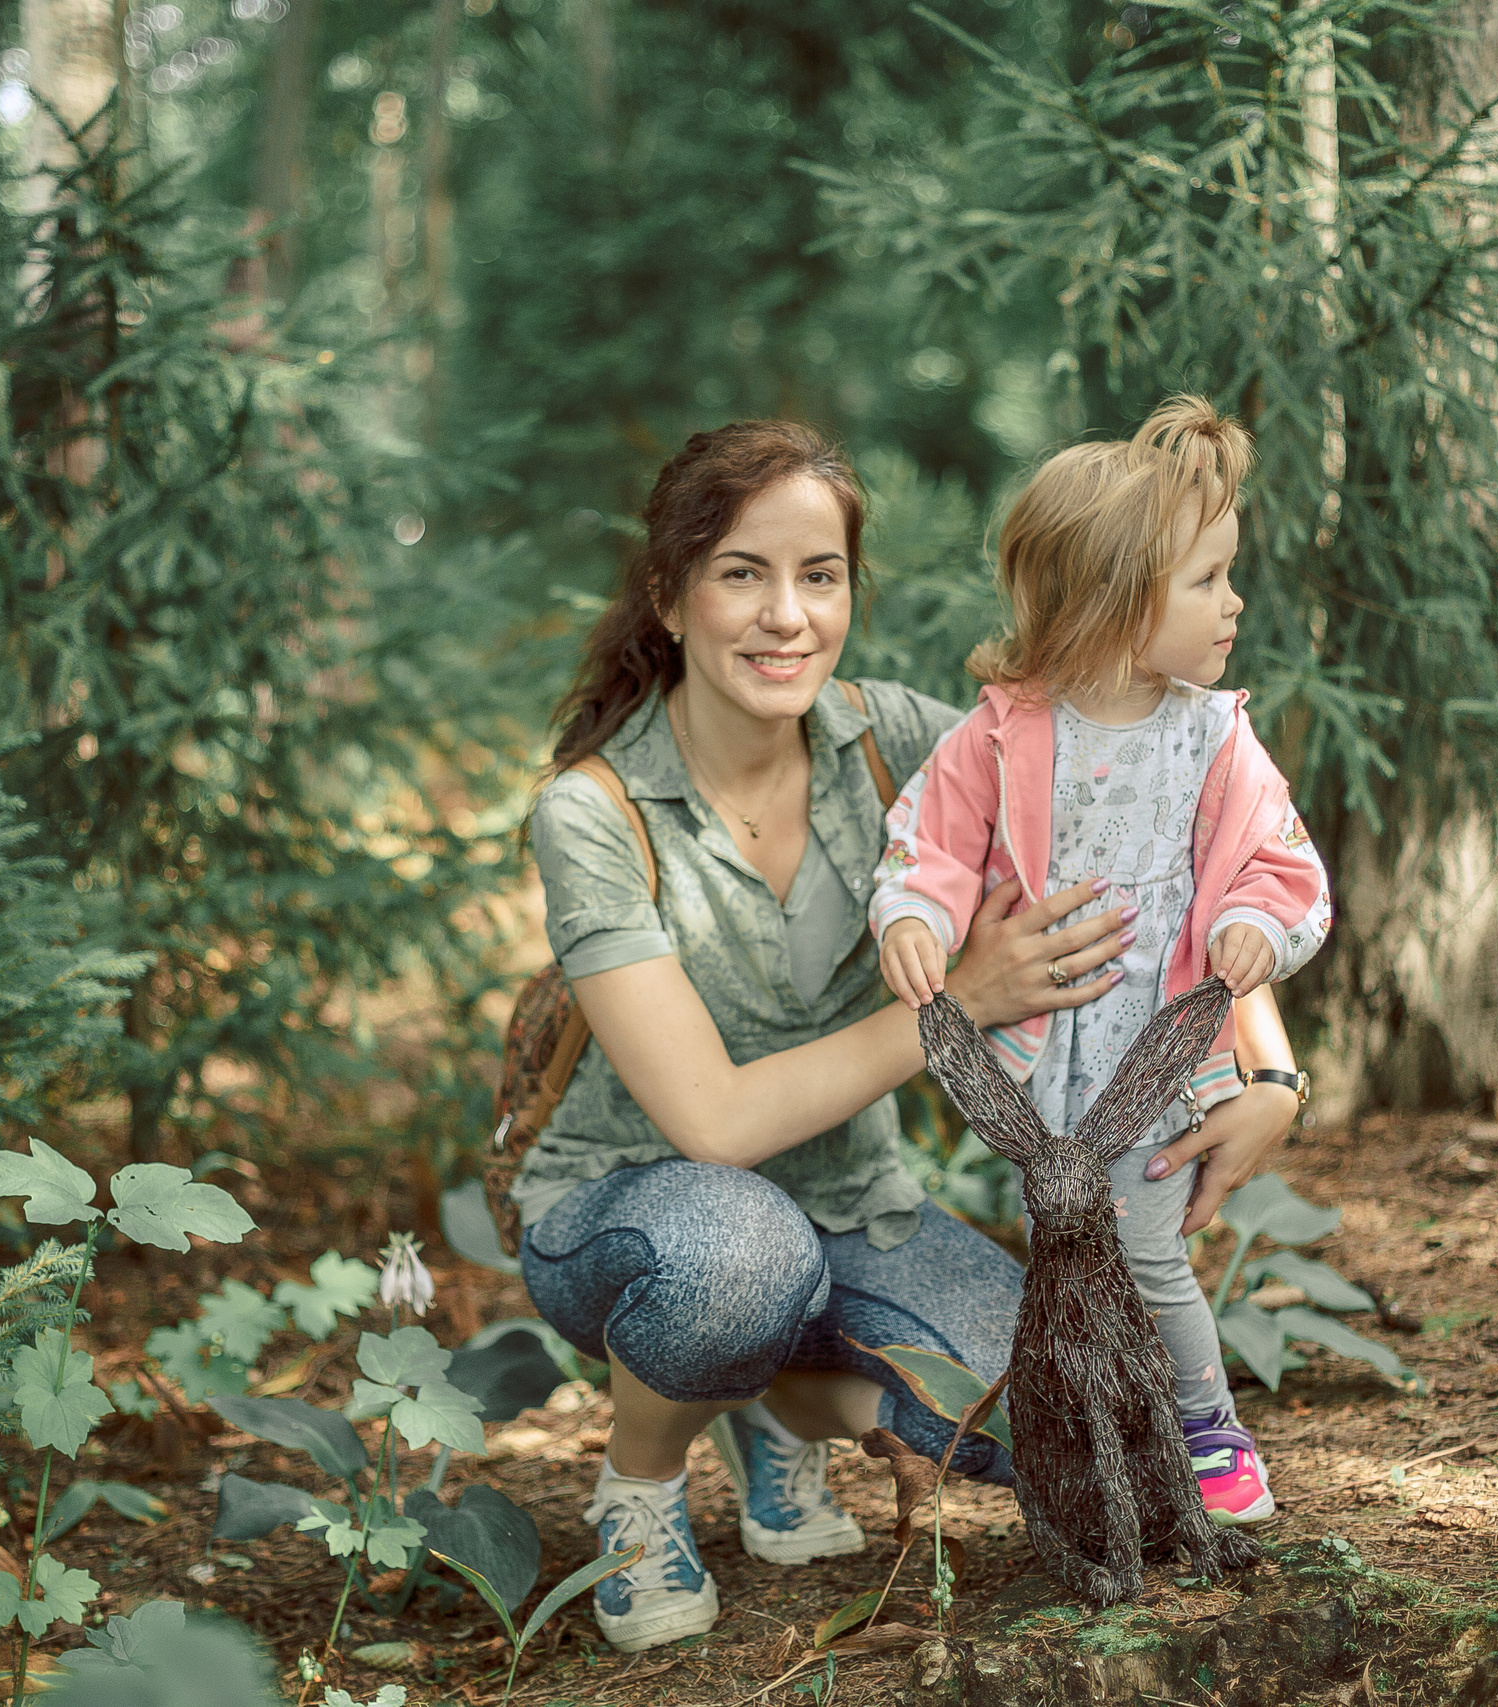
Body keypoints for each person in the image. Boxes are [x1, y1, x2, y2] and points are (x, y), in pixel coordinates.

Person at [517, 418, 1307, 1654]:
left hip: (856, 1212)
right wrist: (961, 1004)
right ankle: (644, 1479)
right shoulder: (593, 811)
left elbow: (1151, 844)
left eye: (818, 576)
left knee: (1079, 1431)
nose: (786, 616)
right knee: (735, 1258)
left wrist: (1264, 1065)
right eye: (742, 573)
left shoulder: (902, 735)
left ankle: (766, 1399)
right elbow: (711, 1125)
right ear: (669, 597)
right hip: (634, 1213)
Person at [871, 395, 1331, 1532]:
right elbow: (928, 839)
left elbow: (1283, 868)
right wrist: (914, 917)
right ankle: (1111, 1435)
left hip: (1158, 1052)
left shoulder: (1214, 737)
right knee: (1068, 1242)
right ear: (1118, 602)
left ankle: (1205, 1427)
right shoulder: (1001, 733)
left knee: (1140, 1243)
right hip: (1042, 1058)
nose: (1233, 602)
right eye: (1208, 579)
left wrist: (1256, 932)